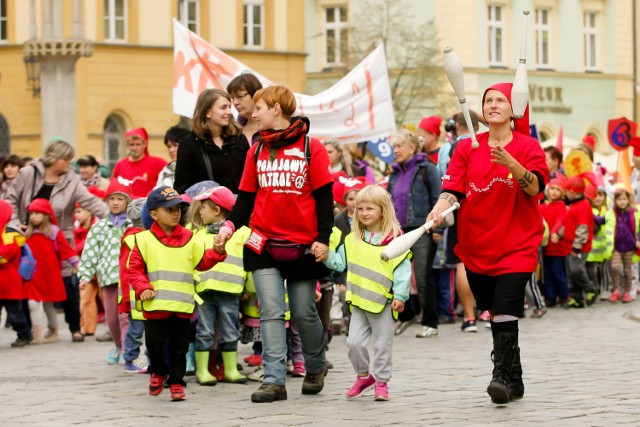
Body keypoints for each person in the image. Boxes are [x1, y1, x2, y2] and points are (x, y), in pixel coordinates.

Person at [426, 82, 549, 404]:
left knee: (507, 307)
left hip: (518, 243)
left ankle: (500, 377)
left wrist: (511, 164)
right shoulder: (467, 147)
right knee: (494, 310)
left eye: (500, 100)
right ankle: (516, 378)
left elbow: (535, 189)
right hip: (477, 244)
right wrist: (438, 211)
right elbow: (453, 190)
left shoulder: (529, 147)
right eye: (488, 100)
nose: (493, 104)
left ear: (513, 109)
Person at [214, 84, 334, 403]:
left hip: (303, 247)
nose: (253, 114)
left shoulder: (312, 147)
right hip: (262, 243)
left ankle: (315, 366)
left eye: (259, 108)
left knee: (304, 313)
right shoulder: (257, 150)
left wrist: (323, 239)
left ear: (276, 109)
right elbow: (246, 198)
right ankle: (273, 380)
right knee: (270, 311)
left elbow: (324, 198)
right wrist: (228, 226)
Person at [129, 186, 226, 401]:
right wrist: (143, 287)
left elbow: (201, 262)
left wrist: (217, 253)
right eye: (169, 209)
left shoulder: (190, 238)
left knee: (179, 347)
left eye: (179, 209)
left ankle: (176, 382)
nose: (176, 213)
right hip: (155, 305)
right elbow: (135, 269)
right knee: (154, 344)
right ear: (153, 214)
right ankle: (158, 371)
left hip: (182, 306)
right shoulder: (143, 240)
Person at [5, 139, 107, 342]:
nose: (71, 164)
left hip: (59, 238)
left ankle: (75, 329)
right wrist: (16, 224)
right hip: (28, 238)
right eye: (67, 160)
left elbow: (89, 201)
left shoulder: (71, 179)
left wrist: (115, 217)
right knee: (27, 282)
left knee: (68, 284)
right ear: (55, 159)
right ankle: (27, 333)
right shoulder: (28, 173)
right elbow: (10, 199)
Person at [321, 185, 411, 401]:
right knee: (354, 343)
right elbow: (338, 263)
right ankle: (363, 376)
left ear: (383, 210)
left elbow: (402, 271)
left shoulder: (396, 241)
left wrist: (400, 295)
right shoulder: (352, 240)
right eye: (359, 208)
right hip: (359, 302)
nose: (363, 213)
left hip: (383, 303)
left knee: (382, 344)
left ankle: (382, 382)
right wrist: (325, 255)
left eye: (369, 208)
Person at [190, 186, 250, 385]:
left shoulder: (242, 234)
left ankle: (231, 369)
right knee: (205, 330)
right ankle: (203, 370)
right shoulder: (198, 236)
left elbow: (249, 264)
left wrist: (248, 289)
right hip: (205, 291)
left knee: (231, 330)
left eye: (203, 207)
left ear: (216, 210)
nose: (200, 211)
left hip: (231, 290)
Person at [386, 129, 441, 338]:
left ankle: (430, 322)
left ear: (412, 148)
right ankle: (407, 315)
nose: (395, 151)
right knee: (394, 275)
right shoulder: (394, 172)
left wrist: (439, 229)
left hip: (422, 230)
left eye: (399, 146)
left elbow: (438, 198)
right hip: (398, 231)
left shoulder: (428, 169)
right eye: (394, 147)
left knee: (422, 276)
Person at [78, 180, 133, 364]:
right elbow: (90, 253)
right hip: (108, 279)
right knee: (112, 319)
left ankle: (128, 350)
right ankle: (118, 345)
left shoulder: (132, 226)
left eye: (120, 199)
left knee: (126, 316)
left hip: (129, 279)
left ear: (127, 202)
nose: (115, 202)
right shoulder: (99, 227)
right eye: (111, 199)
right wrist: (85, 275)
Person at [437, 110, 483, 333]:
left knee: (461, 263)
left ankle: (469, 317)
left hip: (457, 208)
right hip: (483, 206)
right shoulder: (483, 144)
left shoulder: (448, 148)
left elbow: (442, 180)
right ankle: (491, 311)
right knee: (487, 259)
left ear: (455, 126)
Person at [25, 198, 80, 344]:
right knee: (32, 303)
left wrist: (78, 266)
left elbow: (66, 251)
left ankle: (54, 330)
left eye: (37, 213)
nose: (33, 216)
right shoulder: (27, 233)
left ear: (46, 215)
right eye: (31, 213)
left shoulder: (54, 232)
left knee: (48, 304)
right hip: (33, 275)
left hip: (49, 274)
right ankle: (37, 333)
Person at [174, 89, 249, 195]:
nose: (229, 112)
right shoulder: (189, 144)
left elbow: (248, 180)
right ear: (207, 112)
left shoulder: (240, 140)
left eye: (229, 107)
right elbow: (181, 188)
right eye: (223, 107)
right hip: (203, 209)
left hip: (237, 208)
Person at [119, 198, 149, 374]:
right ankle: (129, 359)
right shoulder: (134, 239)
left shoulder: (133, 237)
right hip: (135, 295)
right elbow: (126, 272)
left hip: (139, 293)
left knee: (144, 330)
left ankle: (147, 360)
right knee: (136, 329)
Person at [0, 200, 32, 347]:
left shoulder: (11, 235)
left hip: (9, 282)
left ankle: (24, 334)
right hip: (4, 283)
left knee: (15, 313)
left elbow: (5, 256)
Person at [562, 174, 597, 308]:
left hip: (579, 246)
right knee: (571, 273)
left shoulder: (583, 206)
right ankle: (576, 298)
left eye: (566, 192)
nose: (565, 194)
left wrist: (577, 248)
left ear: (572, 192)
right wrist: (560, 234)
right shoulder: (574, 205)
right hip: (569, 245)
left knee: (576, 270)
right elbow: (569, 224)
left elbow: (582, 229)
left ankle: (590, 288)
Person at [540, 174, 571, 307]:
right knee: (546, 273)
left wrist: (553, 232)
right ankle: (550, 296)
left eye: (558, 190)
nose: (554, 192)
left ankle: (564, 295)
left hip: (558, 247)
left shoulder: (561, 206)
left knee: (557, 272)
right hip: (545, 246)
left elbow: (560, 221)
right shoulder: (542, 207)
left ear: (563, 193)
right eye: (552, 188)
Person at [604, 187, 639, 303]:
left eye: (624, 199)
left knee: (627, 270)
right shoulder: (611, 214)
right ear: (615, 201)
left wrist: (637, 240)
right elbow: (601, 220)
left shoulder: (634, 213)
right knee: (615, 268)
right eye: (619, 199)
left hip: (630, 247)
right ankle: (616, 290)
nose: (622, 202)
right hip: (617, 247)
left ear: (628, 200)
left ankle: (627, 292)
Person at [112, 127, 168, 198]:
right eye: (132, 145)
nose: (135, 148)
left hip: (149, 206)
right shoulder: (120, 165)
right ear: (127, 146)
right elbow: (114, 188)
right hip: (128, 207)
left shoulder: (158, 163)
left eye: (138, 144)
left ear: (144, 145)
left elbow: (170, 177)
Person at [73, 204, 100, 336]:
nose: (76, 215)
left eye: (79, 211)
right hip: (86, 269)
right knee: (85, 299)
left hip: (101, 269)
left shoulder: (100, 227)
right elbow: (75, 249)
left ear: (90, 211)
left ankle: (114, 328)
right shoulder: (77, 230)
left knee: (108, 300)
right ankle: (88, 328)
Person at [227, 73, 263, 146]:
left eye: (240, 96)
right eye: (232, 98)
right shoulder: (234, 129)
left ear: (255, 95)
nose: (235, 102)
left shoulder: (271, 127)